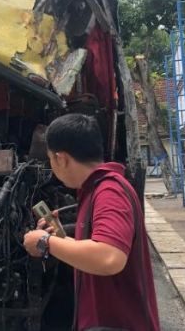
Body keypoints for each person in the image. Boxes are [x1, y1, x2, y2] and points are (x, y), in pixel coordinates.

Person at [23, 113, 160, 331]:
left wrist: (45, 242)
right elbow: (95, 248)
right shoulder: (96, 189)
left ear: (61, 158)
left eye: (51, 159)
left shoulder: (109, 192)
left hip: (117, 324)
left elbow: (108, 257)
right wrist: (61, 239)